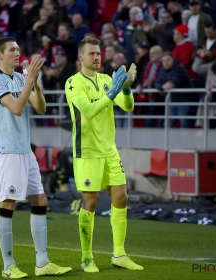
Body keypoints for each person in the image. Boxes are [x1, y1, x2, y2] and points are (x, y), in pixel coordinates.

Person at [0, 37, 72, 278]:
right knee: (8, 203)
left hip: (25, 151)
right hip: (7, 152)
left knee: (40, 200)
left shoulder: (21, 78)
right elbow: (17, 108)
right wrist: (30, 80)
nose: (17, 53)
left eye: (18, 49)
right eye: (12, 50)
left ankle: (42, 262)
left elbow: (40, 108)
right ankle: (7, 265)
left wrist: (36, 84)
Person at [64, 37, 143, 273]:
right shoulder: (73, 83)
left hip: (109, 149)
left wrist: (126, 89)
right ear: (80, 57)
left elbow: (128, 107)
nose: (97, 57)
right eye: (91, 54)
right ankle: (87, 258)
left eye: (98, 53)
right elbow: (87, 111)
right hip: (87, 151)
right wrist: (110, 96)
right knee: (91, 202)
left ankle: (119, 254)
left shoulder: (108, 80)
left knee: (121, 197)